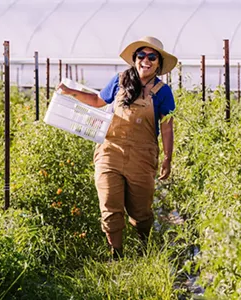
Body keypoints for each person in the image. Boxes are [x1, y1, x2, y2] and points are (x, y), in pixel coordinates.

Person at [57, 36, 177, 259]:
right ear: (135, 59)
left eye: (152, 57)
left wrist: (168, 158)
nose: (146, 60)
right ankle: (116, 255)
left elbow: (167, 127)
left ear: (158, 63)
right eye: (141, 55)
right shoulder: (120, 81)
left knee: (141, 211)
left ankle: (144, 246)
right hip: (110, 151)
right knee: (109, 205)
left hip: (142, 156)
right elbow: (96, 101)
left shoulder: (163, 92)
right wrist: (71, 92)